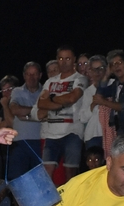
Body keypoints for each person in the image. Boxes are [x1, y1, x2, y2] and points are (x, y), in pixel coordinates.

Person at [37, 45, 87, 181]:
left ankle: (72, 202)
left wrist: (52, 98)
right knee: (46, 174)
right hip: (51, 134)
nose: (64, 62)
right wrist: (62, 101)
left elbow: (72, 98)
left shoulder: (80, 79)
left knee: (71, 174)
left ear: (74, 60)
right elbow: (41, 103)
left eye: (68, 58)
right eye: (60, 58)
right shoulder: (50, 81)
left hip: (72, 132)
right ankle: (51, 202)